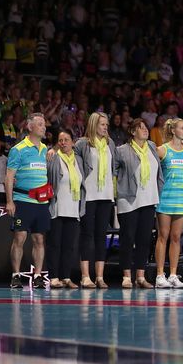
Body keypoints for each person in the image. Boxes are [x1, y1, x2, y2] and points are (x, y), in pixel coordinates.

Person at [115, 118, 163, 288]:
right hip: (128, 200)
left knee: (144, 239)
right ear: (132, 132)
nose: (145, 130)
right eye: (140, 128)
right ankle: (127, 275)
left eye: (146, 127)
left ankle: (141, 276)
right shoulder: (121, 150)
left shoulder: (151, 147)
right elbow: (112, 171)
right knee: (127, 238)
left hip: (149, 199)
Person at [73, 112, 118, 288]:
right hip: (89, 195)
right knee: (87, 235)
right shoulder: (83, 144)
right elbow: (70, 157)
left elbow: (116, 166)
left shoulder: (110, 143)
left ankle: (99, 276)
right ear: (93, 125)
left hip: (106, 195)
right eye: (102, 124)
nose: (105, 127)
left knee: (101, 236)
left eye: (107, 125)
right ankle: (85, 276)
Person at [6, 113, 50, 289]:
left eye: (44, 124)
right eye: (40, 124)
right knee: (20, 237)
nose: (44, 127)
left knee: (39, 239)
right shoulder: (18, 149)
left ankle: (38, 276)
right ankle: (16, 275)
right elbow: (9, 178)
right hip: (23, 200)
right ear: (30, 127)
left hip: (41, 202)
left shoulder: (46, 149)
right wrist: (10, 201)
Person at [153, 118, 183, 289]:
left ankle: (173, 274)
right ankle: (160, 274)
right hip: (165, 199)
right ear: (173, 130)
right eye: (181, 128)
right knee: (163, 236)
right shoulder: (162, 150)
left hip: (182, 199)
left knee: (176, 238)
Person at [46, 131, 84, 289]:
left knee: (69, 246)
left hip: (73, 209)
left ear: (73, 142)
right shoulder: (53, 157)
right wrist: (50, 150)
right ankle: (54, 277)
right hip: (57, 208)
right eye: (60, 140)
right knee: (55, 244)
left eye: (66, 140)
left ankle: (66, 277)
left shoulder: (79, 160)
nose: (63, 142)